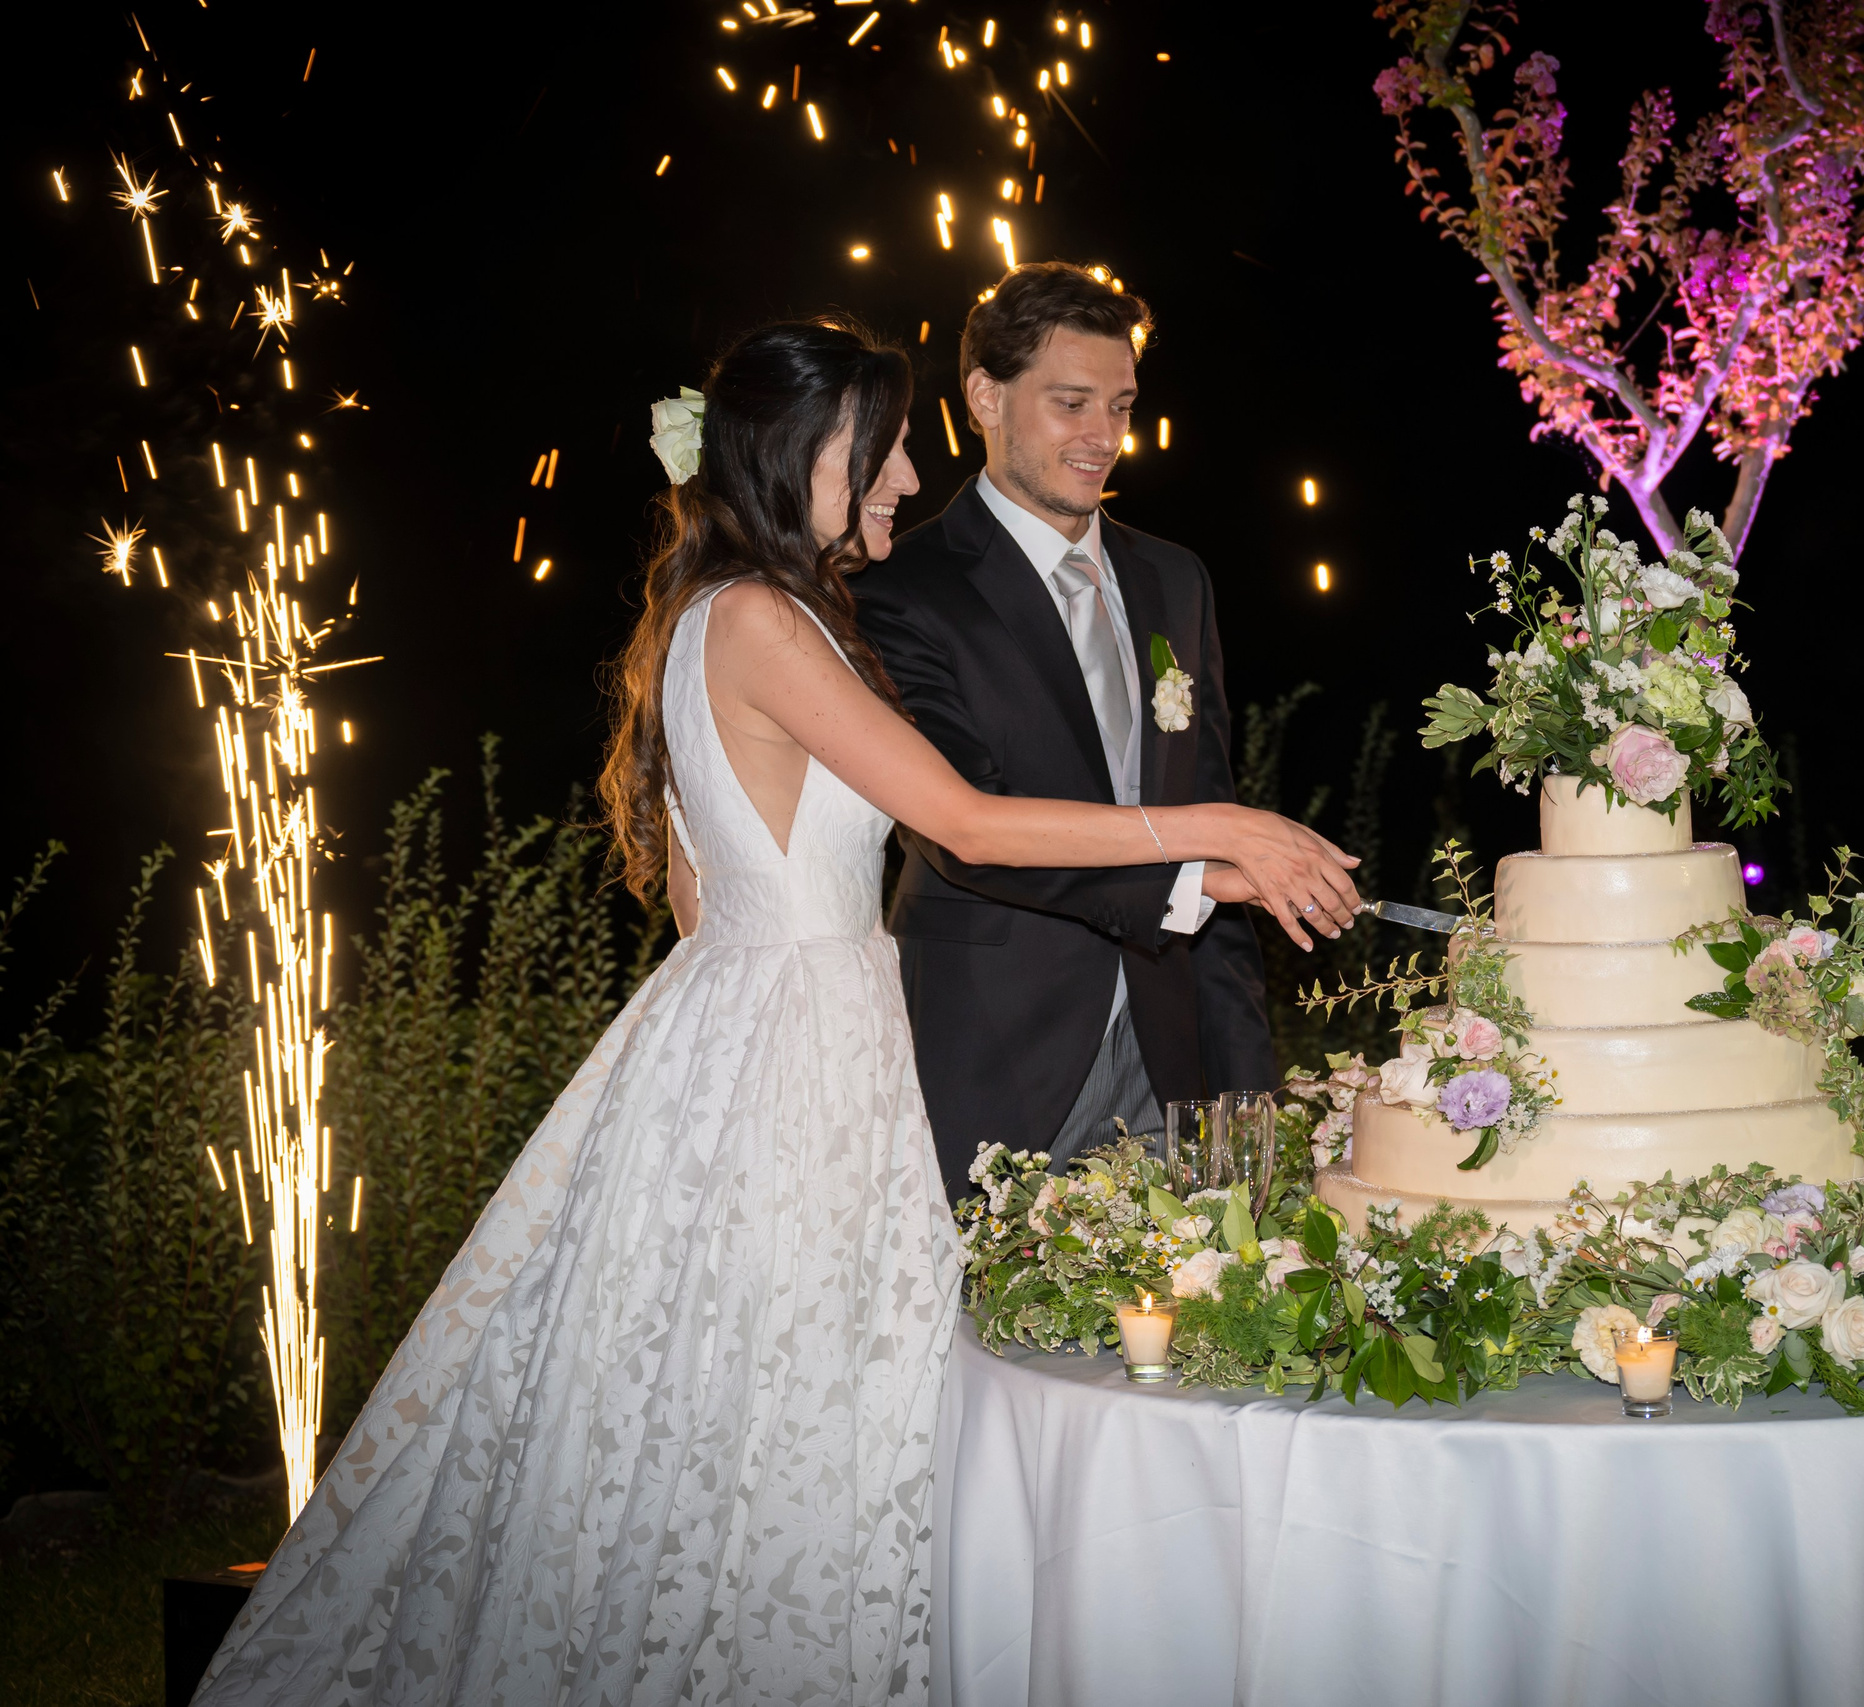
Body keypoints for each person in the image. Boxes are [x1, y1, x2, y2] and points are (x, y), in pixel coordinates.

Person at [192, 315, 1359, 1706]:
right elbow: (970, 825)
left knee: (727, 1387)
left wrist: (1199, 871)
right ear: (800, 451)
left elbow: (703, 895)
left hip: (731, 1028)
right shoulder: (765, 618)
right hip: (813, 1036)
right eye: (879, 451)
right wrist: (1216, 814)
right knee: (816, 1394)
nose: (907, 479)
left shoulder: (711, 617)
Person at [859, 265, 1288, 1203]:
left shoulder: (1178, 579)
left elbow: (1215, 824)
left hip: (1172, 1064)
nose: (1105, 437)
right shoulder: (900, 587)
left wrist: (1246, 1093)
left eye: (1122, 405)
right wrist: (1189, 868)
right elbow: (964, 831)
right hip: (994, 1054)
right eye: (1071, 403)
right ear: (985, 396)